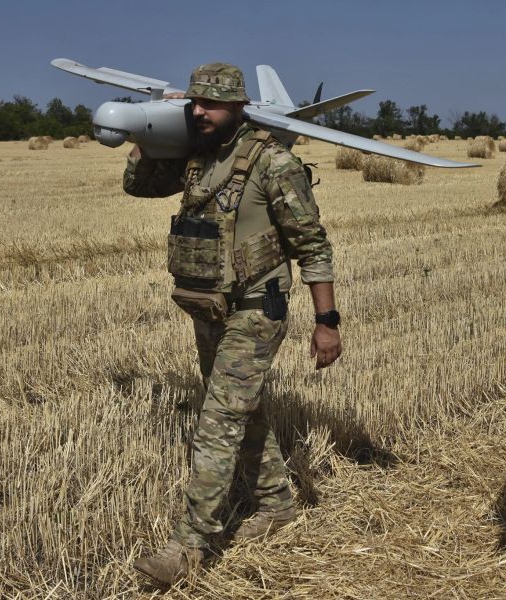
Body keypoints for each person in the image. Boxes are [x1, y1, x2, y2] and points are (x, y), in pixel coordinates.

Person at [124, 62, 342, 587]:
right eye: (194, 102)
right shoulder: (198, 157)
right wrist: (142, 137)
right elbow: (138, 186)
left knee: (218, 419)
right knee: (243, 409)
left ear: (238, 107)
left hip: (256, 308)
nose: (198, 112)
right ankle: (275, 504)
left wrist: (327, 321)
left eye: (210, 104)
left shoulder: (275, 163)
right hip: (209, 305)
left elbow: (312, 247)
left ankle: (188, 547)